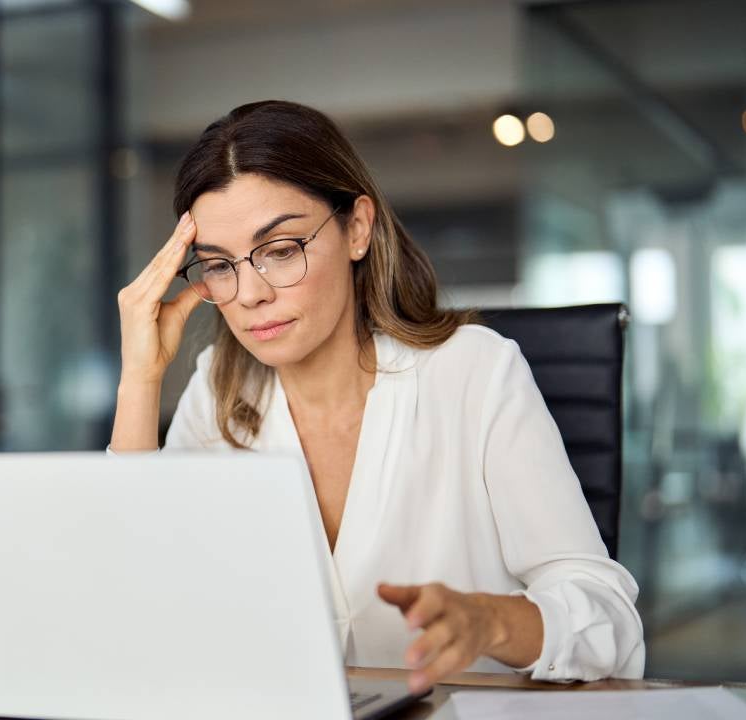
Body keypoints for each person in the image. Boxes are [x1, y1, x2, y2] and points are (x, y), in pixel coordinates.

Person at [108, 100, 644, 692]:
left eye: (281, 249)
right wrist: (140, 380)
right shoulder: (218, 391)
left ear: (357, 228)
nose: (250, 293)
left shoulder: (474, 372)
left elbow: (609, 619)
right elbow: (137, 613)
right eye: (218, 265)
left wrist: (490, 620)